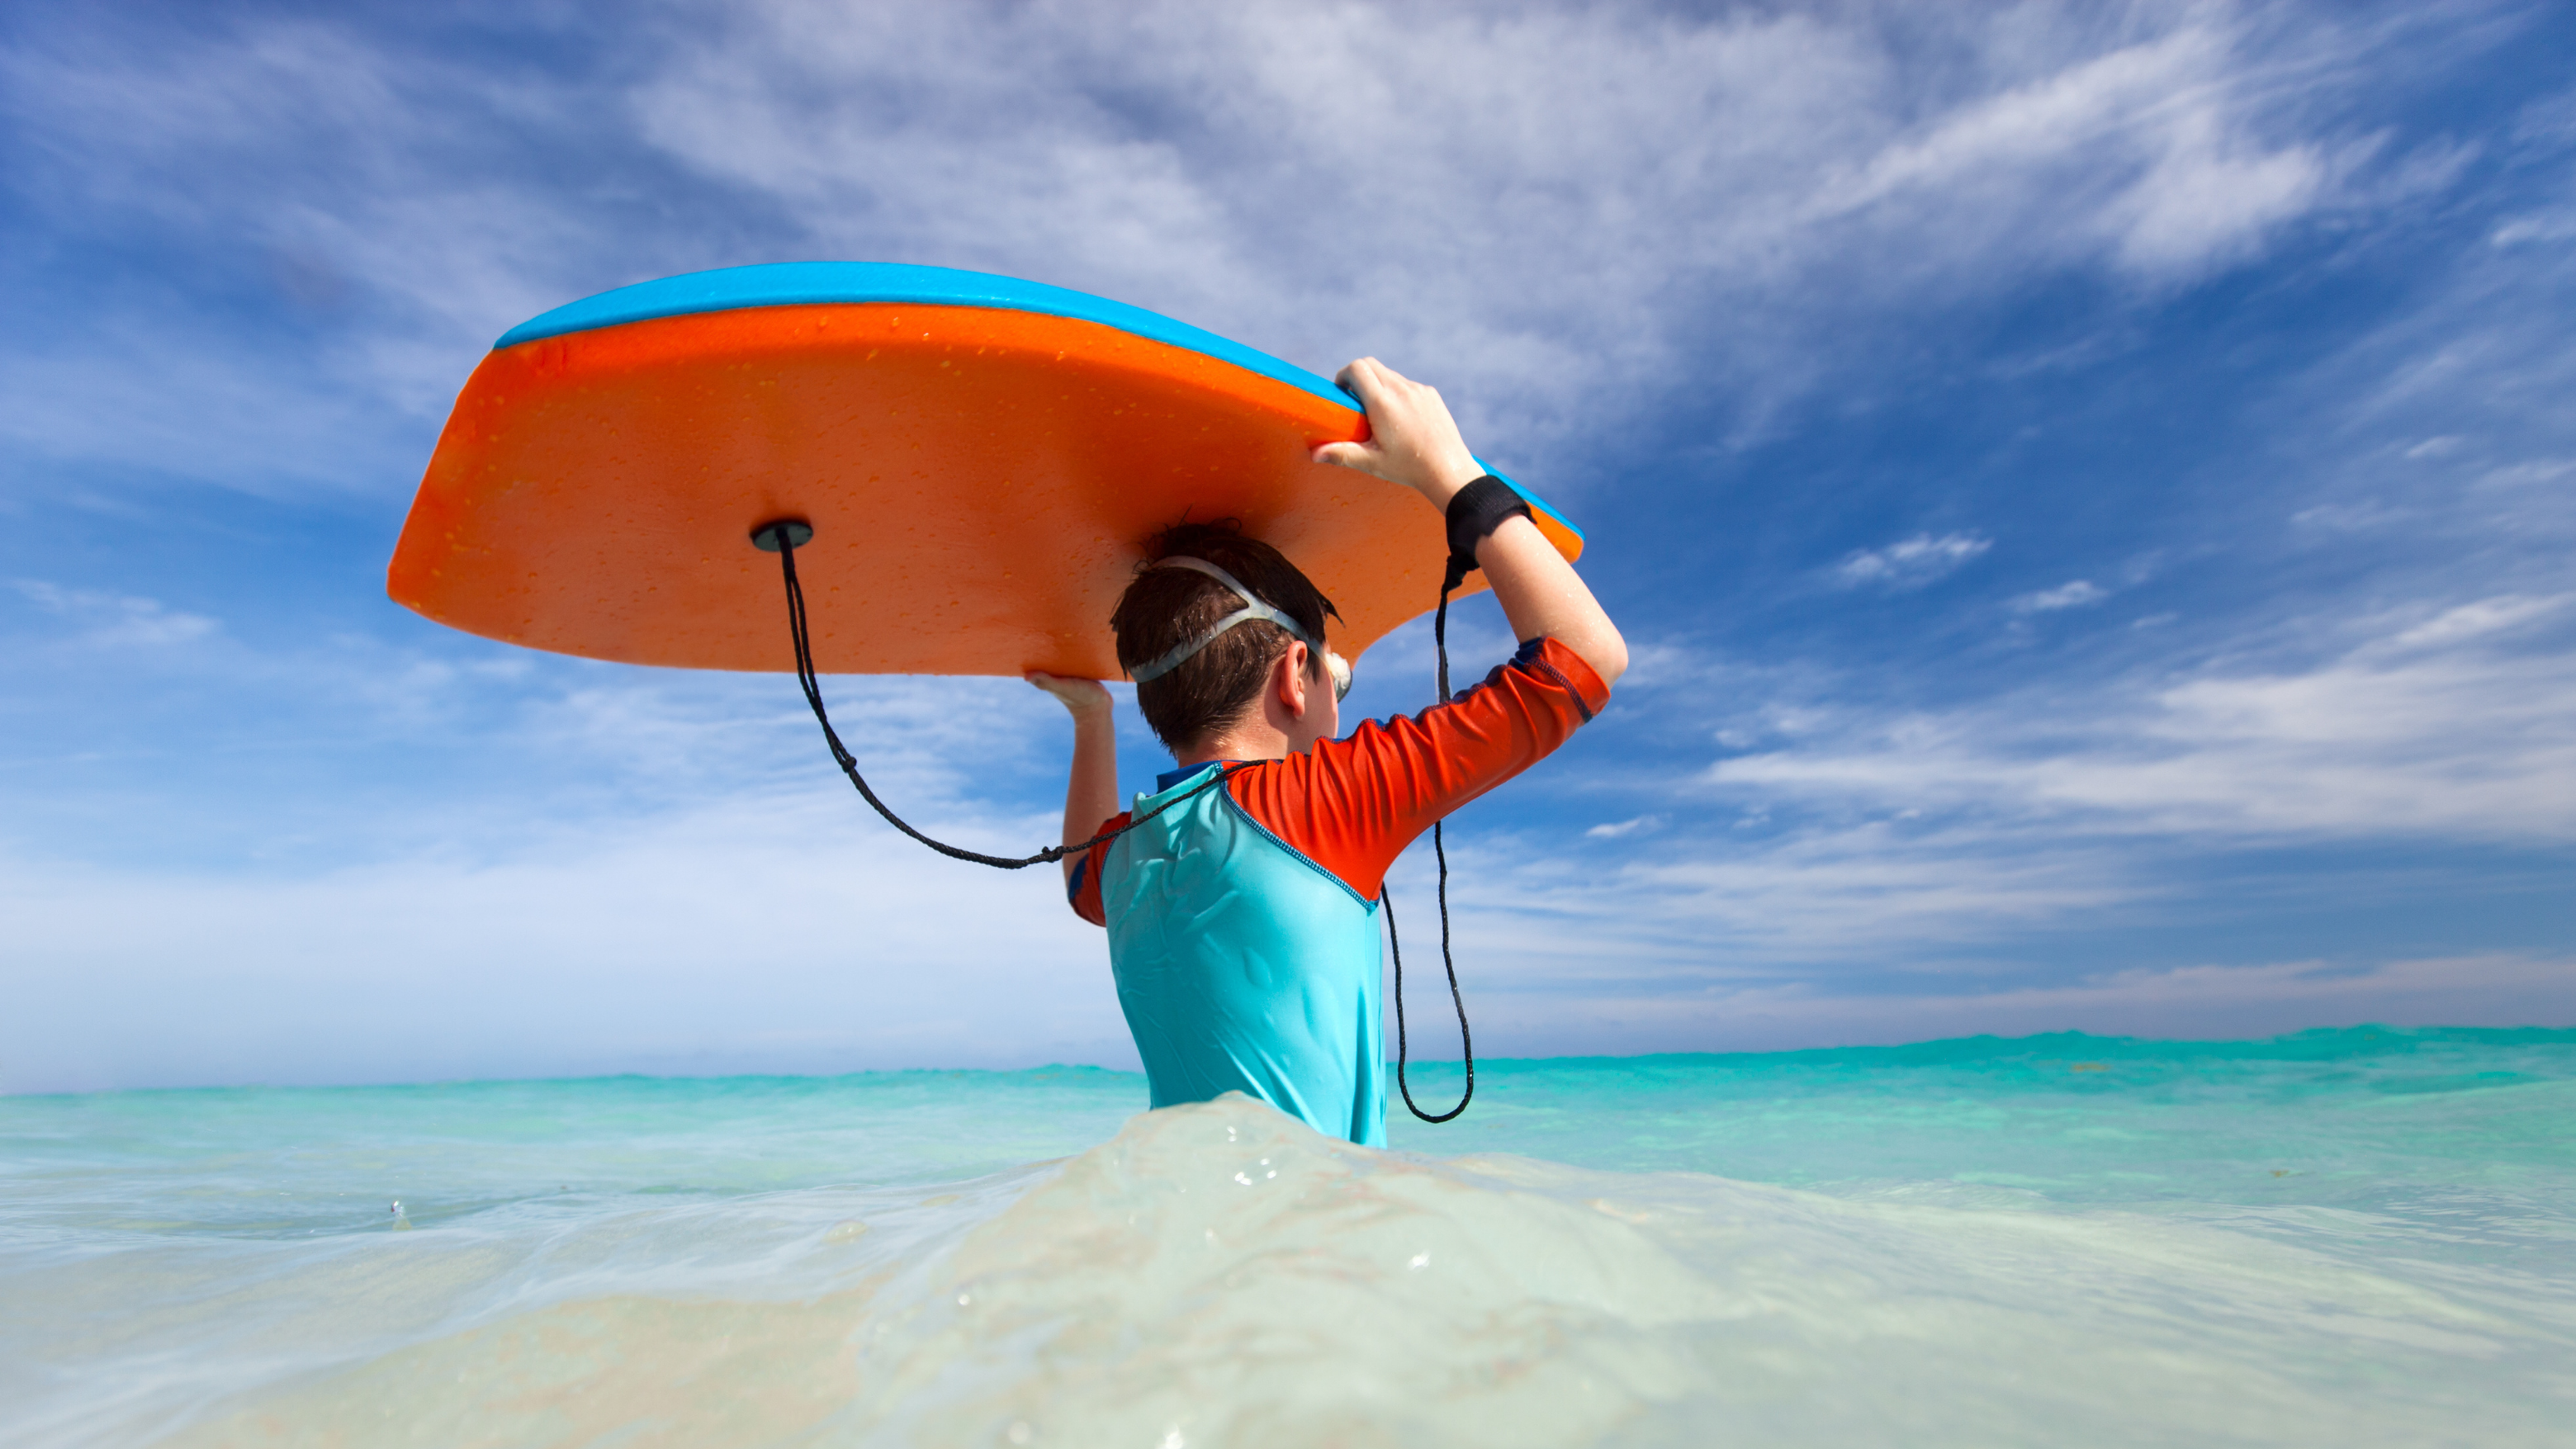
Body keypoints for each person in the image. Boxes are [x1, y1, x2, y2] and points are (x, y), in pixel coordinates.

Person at [1025, 358, 1627, 1147]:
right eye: (1332, 669)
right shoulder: (1321, 804)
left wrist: (1089, 720)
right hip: (1319, 1247)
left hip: (1185, 1242)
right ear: (1293, 677)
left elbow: (1076, 877)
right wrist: (1453, 474)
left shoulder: (1129, 854)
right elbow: (1585, 659)